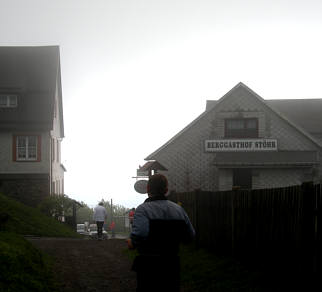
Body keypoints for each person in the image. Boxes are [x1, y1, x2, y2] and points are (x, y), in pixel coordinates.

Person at [127, 174, 195, 292]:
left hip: (148, 265)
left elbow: (140, 234)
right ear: (166, 190)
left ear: (147, 189)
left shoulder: (142, 210)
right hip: (172, 263)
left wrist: (131, 243)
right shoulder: (178, 210)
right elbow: (190, 236)